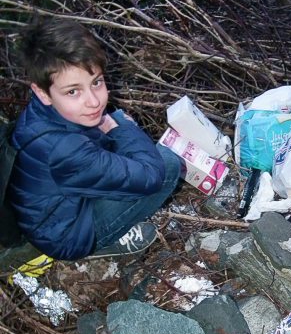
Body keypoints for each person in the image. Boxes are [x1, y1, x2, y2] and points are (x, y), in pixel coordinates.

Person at [7, 17, 181, 260]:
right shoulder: (63, 147)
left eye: (96, 82)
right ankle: (102, 245)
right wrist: (120, 128)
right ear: (42, 92)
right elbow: (152, 175)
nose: (94, 101)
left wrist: (113, 130)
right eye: (73, 91)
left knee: (130, 156)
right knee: (168, 164)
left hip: (52, 209)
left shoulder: (46, 111)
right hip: (64, 236)